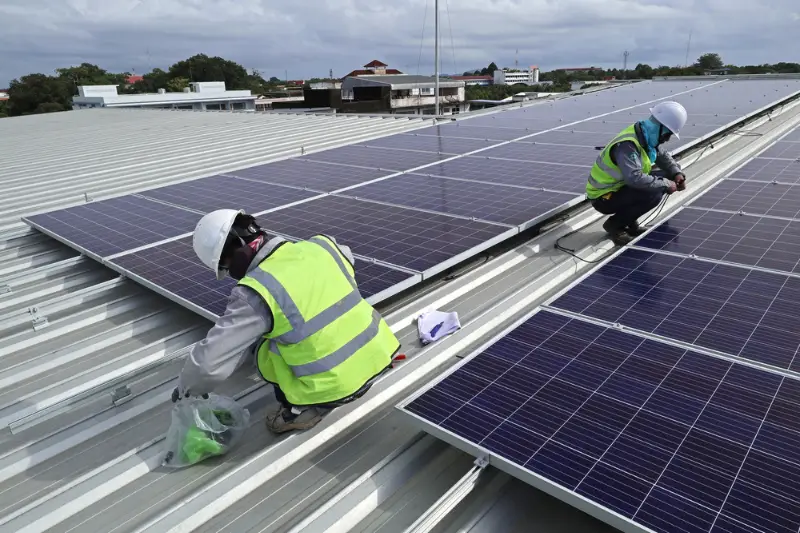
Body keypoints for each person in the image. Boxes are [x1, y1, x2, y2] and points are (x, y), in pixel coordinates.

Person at [171, 209, 401, 433]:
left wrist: (186, 390)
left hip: (336, 387)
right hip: (380, 355)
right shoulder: (322, 246)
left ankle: (303, 407)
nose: (231, 272)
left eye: (226, 266)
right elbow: (347, 260)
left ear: (236, 251)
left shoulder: (256, 293)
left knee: (261, 346)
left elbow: (208, 365)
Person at [587, 100, 688, 245]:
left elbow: (662, 155)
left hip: (619, 189)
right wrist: (666, 184)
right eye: (667, 135)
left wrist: (676, 174)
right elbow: (634, 179)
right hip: (603, 197)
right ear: (660, 128)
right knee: (654, 192)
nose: (667, 139)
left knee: (664, 178)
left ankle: (629, 221)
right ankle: (614, 225)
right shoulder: (628, 144)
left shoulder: (645, 135)